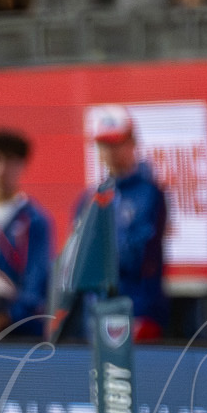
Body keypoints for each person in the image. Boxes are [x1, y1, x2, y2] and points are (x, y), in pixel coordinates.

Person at [75, 106, 167, 341]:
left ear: (132, 142)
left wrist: (98, 254)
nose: (110, 151)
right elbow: (76, 256)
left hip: (137, 311)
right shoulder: (92, 197)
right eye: (104, 144)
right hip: (97, 313)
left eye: (116, 143)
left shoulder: (149, 193)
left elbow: (137, 255)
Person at [0, 130, 54, 339]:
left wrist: (9, 316)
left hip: (24, 336)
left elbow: (37, 284)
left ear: (22, 166)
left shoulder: (36, 221)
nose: (0, 169)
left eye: (10, 161)